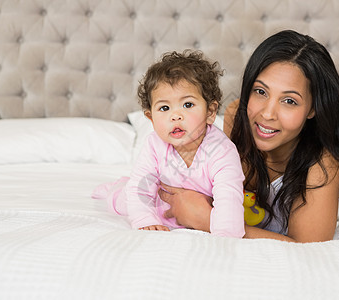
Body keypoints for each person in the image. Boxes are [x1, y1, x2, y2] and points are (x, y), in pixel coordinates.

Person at [158, 30, 339, 243]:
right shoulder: (239, 117)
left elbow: (306, 248)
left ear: (312, 108)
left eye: (289, 101)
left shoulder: (324, 160)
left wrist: (207, 220)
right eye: (260, 91)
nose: (267, 114)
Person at [92, 50, 245, 238]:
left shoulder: (222, 151)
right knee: (123, 199)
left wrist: (225, 236)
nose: (175, 116)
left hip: (189, 214)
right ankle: (114, 188)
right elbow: (140, 191)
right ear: (151, 118)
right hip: (155, 205)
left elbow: (228, 198)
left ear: (210, 112)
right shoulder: (155, 145)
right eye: (164, 108)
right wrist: (146, 221)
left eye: (188, 104)